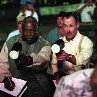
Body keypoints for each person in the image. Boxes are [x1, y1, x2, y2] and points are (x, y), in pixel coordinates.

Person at [0, 16, 55, 97]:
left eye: (32, 30)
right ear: (22, 29)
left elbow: (43, 58)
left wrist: (29, 60)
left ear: (37, 30)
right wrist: (5, 78)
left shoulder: (44, 44)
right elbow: (2, 63)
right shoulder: (11, 41)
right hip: (14, 86)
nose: (29, 34)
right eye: (26, 30)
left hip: (37, 87)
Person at [51, 12, 93, 84]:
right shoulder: (59, 42)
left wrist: (68, 57)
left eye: (71, 26)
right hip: (65, 81)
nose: (67, 30)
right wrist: (57, 76)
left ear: (77, 25)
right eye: (65, 26)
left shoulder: (86, 41)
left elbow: (82, 59)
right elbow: (53, 64)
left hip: (82, 81)